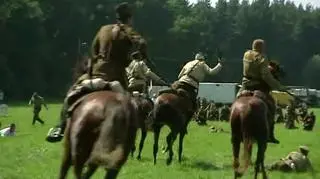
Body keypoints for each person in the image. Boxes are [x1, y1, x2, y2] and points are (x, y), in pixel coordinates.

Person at [46, 2, 147, 143]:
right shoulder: (128, 30)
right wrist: (139, 55)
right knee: (129, 107)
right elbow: (141, 43)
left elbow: (93, 52)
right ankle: (126, 137)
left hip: (94, 74)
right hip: (115, 78)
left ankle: (59, 128)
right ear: (130, 18)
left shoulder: (103, 29)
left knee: (71, 94)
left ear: (117, 16)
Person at [237, 39, 287, 144]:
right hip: (257, 85)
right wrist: (279, 86)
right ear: (262, 47)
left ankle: (236, 130)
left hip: (245, 84)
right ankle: (270, 135)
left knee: (237, 101)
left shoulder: (246, 54)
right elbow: (266, 76)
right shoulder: (262, 57)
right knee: (271, 105)